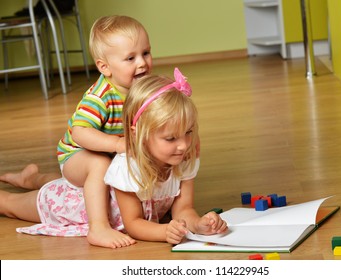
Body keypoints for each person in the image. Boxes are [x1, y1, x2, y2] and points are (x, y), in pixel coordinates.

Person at [0, 69, 227, 245]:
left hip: (87, 188)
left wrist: (198, 224)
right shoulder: (128, 167)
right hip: (69, 205)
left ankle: (30, 178)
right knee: (9, 205)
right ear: (140, 136)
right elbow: (133, 223)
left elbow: (183, 209)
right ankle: (29, 184)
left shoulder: (184, 157)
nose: (183, 145)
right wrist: (163, 231)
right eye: (170, 139)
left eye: (188, 132)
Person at [0, 15, 153, 249]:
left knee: (93, 177)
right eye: (130, 58)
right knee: (99, 166)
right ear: (104, 67)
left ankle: (31, 179)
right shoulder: (100, 97)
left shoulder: (142, 88)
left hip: (110, 153)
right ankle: (98, 227)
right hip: (77, 154)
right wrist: (115, 144)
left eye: (146, 53)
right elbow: (80, 133)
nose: (142, 63)